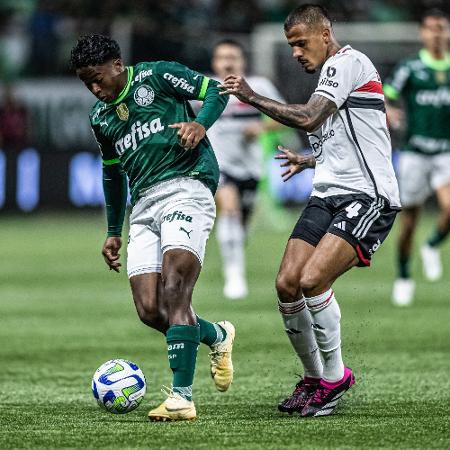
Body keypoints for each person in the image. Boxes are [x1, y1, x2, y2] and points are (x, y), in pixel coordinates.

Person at [220, 4, 400, 417]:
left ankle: (335, 378)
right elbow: (352, 138)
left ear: (325, 34)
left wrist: (250, 95)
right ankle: (314, 377)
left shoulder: (347, 63)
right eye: (291, 46)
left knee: (313, 278)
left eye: (302, 43)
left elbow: (309, 117)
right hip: (327, 193)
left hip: (367, 197)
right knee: (287, 283)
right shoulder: (329, 79)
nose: (296, 52)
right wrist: (312, 161)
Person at [70, 34, 235, 422]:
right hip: (142, 206)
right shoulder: (101, 118)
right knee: (150, 309)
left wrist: (200, 123)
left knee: (175, 288)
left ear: (117, 65)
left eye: (98, 78)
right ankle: (217, 335)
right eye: (86, 83)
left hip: (187, 185)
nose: (95, 88)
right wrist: (113, 229)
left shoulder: (157, 76)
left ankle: (182, 397)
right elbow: (112, 173)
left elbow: (216, 91)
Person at [208, 39, 286, 299]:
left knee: (241, 228)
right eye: (222, 57)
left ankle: (234, 257)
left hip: (251, 169)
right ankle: (234, 274)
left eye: (233, 57)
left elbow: (284, 116)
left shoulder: (259, 86)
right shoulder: (206, 88)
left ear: (242, 61)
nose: (228, 62)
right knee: (229, 210)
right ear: (214, 62)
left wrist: (261, 128)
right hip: (221, 166)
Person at [384, 9, 450, 306]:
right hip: (414, 153)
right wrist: (388, 108)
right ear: (423, 33)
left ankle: (432, 245)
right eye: (432, 28)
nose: (437, 33)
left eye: (442, 28)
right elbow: (384, 93)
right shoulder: (410, 67)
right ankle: (404, 275)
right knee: (409, 221)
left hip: (445, 151)